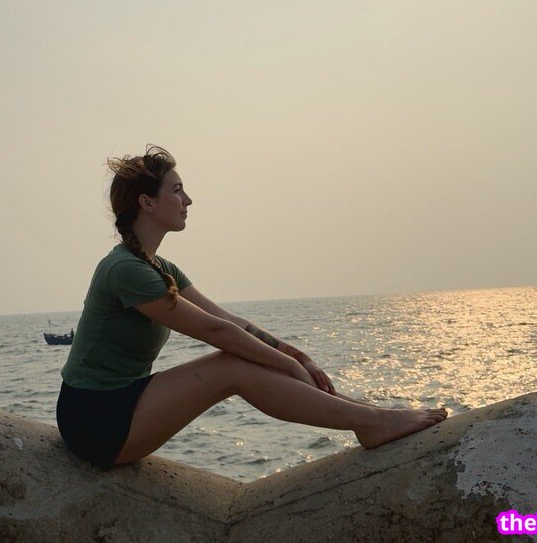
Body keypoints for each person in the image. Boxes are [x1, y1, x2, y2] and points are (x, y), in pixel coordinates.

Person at [56, 145, 447, 471]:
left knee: (239, 360)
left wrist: (297, 355)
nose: (188, 200)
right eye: (177, 190)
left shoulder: (160, 268)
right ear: (147, 203)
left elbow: (229, 320)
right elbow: (216, 333)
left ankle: (371, 416)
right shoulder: (125, 270)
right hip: (94, 421)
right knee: (231, 366)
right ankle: (371, 421)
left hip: (124, 401)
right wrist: (287, 366)